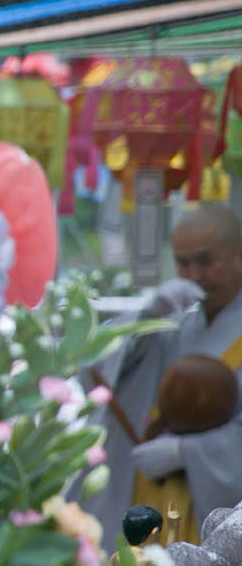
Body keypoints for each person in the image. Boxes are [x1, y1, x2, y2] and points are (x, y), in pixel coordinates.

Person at [93, 204, 242, 541]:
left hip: (220, 514)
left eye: (205, 261)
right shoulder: (176, 325)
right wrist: (145, 319)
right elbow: (103, 368)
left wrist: (185, 452)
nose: (194, 275)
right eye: (183, 263)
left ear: (239, 255)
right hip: (155, 500)